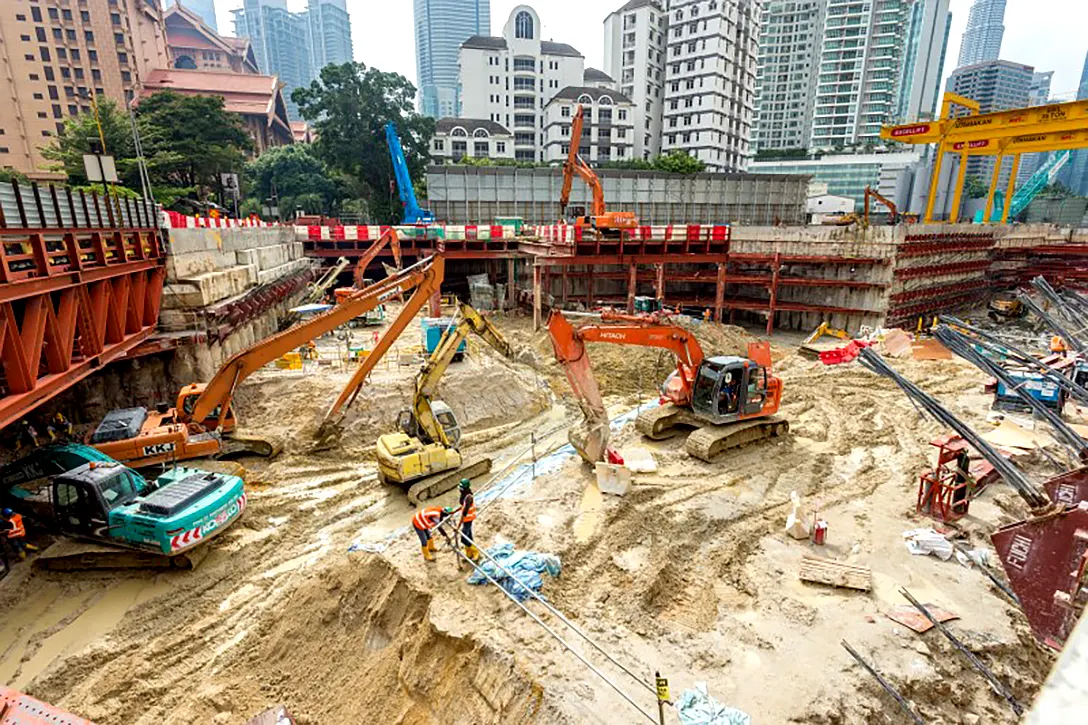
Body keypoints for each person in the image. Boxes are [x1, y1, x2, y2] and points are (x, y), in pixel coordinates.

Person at [458, 478, 479, 562]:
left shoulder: (468, 497)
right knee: (469, 536)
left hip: (468, 519)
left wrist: (458, 525)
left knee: (463, 538)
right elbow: (462, 506)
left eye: (461, 488)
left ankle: (475, 551)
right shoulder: (464, 495)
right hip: (466, 519)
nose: (460, 489)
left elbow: (465, 513)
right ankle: (469, 553)